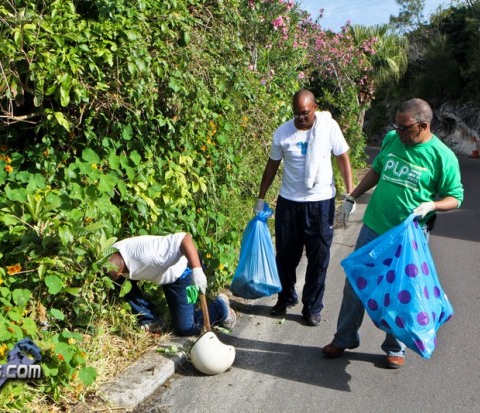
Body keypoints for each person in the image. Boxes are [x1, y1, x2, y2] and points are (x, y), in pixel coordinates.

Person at [323, 98, 464, 369]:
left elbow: (455, 197)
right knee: (356, 284)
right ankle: (344, 338)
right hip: (373, 228)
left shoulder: (442, 156)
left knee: (400, 291)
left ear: (422, 126)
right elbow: (377, 170)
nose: (397, 131)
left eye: (403, 127)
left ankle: (394, 347)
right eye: (396, 126)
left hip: (407, 238)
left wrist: (432, 205)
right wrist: (353, 196)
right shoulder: (392, 140)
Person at [254, 89, 355, 326]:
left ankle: (312, 307)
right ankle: (286, 296)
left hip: (320, 203)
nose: (300, 118)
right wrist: (261, 197)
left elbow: (343, 158)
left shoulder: (329, 127)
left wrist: (350, 195)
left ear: (315, 108)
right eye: (296, 114)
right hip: (289, 203)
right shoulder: (283, 132)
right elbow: (272, 165)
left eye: (305, 113)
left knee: (318, 258)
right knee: (286, 256)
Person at [104, 232, 236, 336]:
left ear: (120, 272)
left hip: (183, 272)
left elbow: (184, 238)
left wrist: (197, 270)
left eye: (118, 276)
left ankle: (220, 308)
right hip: (162, 273)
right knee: (119, 283)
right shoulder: (110, 255)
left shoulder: (151, 255)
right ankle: (149, 318)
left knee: (186, 328)